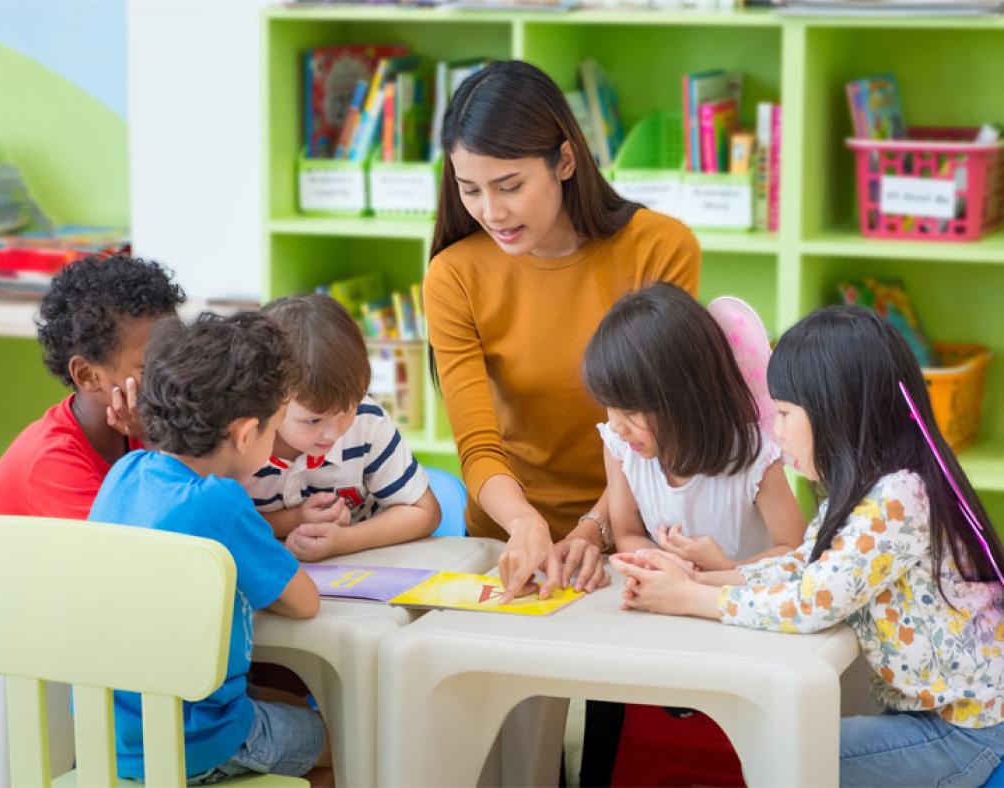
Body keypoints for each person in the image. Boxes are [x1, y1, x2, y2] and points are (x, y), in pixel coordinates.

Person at [611, 306, 1004, 787]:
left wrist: (693, 598)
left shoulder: (900, 496)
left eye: (784, 413)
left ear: (838, 410)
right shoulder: (868, 488)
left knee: (789, 754)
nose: (774, 430)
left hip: (969, 732)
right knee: (783, 745)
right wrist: (707, 576)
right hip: (943, 722)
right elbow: (807, 564)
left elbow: (814, 601)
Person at [423, 60, 701, 606]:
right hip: (506, 537)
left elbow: (663, 424)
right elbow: (477, 447)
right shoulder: (453, 275)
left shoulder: (660, 249)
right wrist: (525, 524)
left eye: (509, 186)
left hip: (640, 532)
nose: (491, 212)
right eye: (469, 190)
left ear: (565, 161)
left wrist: (595, 527)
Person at [89, 312, 332, 785]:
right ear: (244, 434)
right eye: (275, 427)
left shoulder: (128, 470)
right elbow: (305, 603)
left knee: (281, 705)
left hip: (111, 736)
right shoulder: (220, 501)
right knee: (347, 740)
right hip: (196, 741)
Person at [0, 254, 184, 705]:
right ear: (87, 375)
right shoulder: (55, 459)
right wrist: (159, 442)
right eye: (148, 367)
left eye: (176, 357)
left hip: (55, 619)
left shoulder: (137, 430)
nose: (171, 378)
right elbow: (143, 567)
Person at [582, 283, 805, 571]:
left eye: (630, 410)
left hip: (739, 604)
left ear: (684, 397)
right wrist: (669, 564)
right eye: (610, 406)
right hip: (676, 603)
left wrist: (722, 568)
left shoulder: (754, 457)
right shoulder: (621, 449)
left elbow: (795, 551)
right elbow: (628, 534)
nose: (616, 425)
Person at [245, 293, 440, 561]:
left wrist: (344, 541)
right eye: (313, 420)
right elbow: (216, 525)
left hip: (360, 571)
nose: (334, 433)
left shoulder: (366, 421)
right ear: (268, 398)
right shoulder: (242, 440)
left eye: (347, 410)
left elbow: (424, 511)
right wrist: (293, 519)